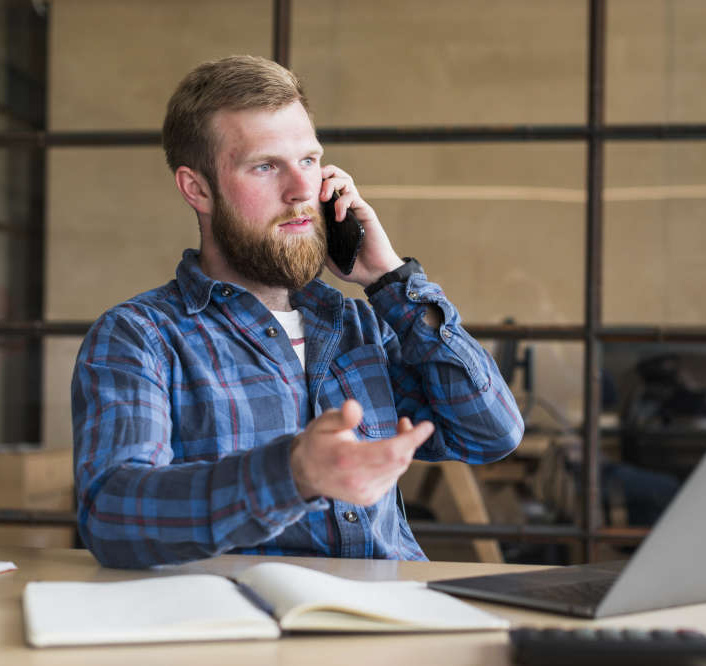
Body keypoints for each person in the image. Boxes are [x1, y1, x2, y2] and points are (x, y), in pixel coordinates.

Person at [71, 55, 523, 569]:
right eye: (265, 166)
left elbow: (491, 434)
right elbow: (111, 513)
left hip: (386, 625)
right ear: (196, 189)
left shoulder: (362, 326)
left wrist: (390, 280)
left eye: (309, 161)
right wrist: (292, 476)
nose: (300, 190)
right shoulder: (140, 337)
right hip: (244, 630)